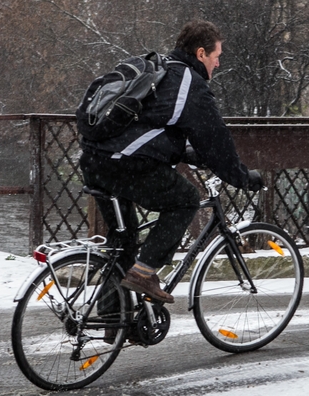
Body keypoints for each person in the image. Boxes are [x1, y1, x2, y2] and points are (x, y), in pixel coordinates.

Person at [79, 19, 263, 304]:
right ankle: (144, 273)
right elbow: (217, 142)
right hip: (123, 166)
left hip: (94, 160)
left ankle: (113, 318)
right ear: (201, 53)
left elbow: (148, 128)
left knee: (124, 241)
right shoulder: (190, 85)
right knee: (185, 200)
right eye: (217, 57)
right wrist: (241, 177)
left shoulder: (160, 69)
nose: (218, 64)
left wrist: (184, 154)